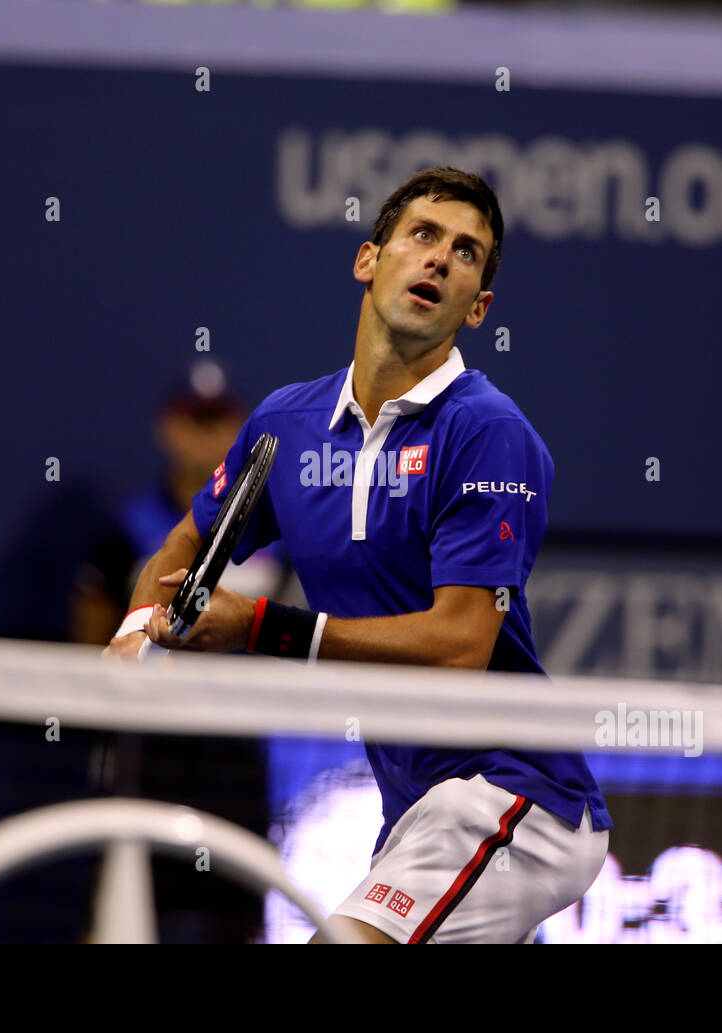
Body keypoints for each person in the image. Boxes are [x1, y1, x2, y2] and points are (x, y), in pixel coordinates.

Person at [105, 166, 613, 944]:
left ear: (476, 308)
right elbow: (186, 544)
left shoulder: (486, 431)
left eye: (467, 252)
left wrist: (263, 629)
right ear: (368, 260)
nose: (440, 258)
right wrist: (135, 634)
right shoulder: (286, 423)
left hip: (515, 793)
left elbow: (460, 644)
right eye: (423, 235)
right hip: (415, 803)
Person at [73, 360, 288, 943]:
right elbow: (93, 638)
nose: (206, 435)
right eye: (194, 421)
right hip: (145, 756)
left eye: (219, 422)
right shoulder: (125, 533)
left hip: (234, 758)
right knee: (113, 913)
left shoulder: (274, 536)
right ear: (169, 429)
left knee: (239, 923)